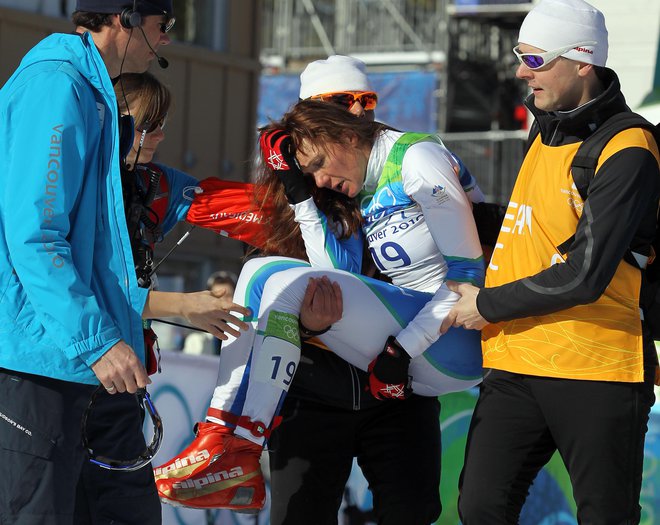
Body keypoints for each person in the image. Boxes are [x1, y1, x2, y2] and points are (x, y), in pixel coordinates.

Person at [154, 99, 486, 519]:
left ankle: (230, 442)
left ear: (348, 133)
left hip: (450, 344)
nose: (321, 180)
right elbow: (332, 278)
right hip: (396, 356)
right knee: (269, 274)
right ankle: (234, 445)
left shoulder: (416, 158)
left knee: (262, 271)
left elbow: (467, 275)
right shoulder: (364, 186)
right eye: (308, 173)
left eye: (319, 165)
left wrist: (401, 350)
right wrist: (298, 194)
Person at [439, 0, 660, 523]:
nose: (520, 71)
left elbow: (586, 272)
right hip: (516, 360)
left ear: (583, 61)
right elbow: (530, 228)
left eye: (535, 60)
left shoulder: (631, 146)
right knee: (480, 507)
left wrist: (486, 305)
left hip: (596, 365)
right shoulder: (544, 130)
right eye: (521, 56)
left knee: (605, 516)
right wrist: (444, 206)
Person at [0, 1, 174, 522]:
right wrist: (98, 339)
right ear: (125, 17)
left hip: (79, 363)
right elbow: (35, 236)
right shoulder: (58, 87)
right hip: (40, 361)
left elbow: (96, 245)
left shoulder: (90, 91)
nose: (165, 40)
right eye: (163, 26)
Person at [71, 69, 252, 523]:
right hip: (57, 377)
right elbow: (78, 288)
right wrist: (184, 307)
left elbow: (241, 207)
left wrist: (313, 198)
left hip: (121, 382)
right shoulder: (71, 183)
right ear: (110, 119)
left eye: (161, 124)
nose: (157, 136)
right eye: (146, 125)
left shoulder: (156, 183)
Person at [183, 270, 239, 355]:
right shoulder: (195, 340)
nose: (222, 301)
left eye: (228, 296)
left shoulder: (244, 334)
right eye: (218, 296)